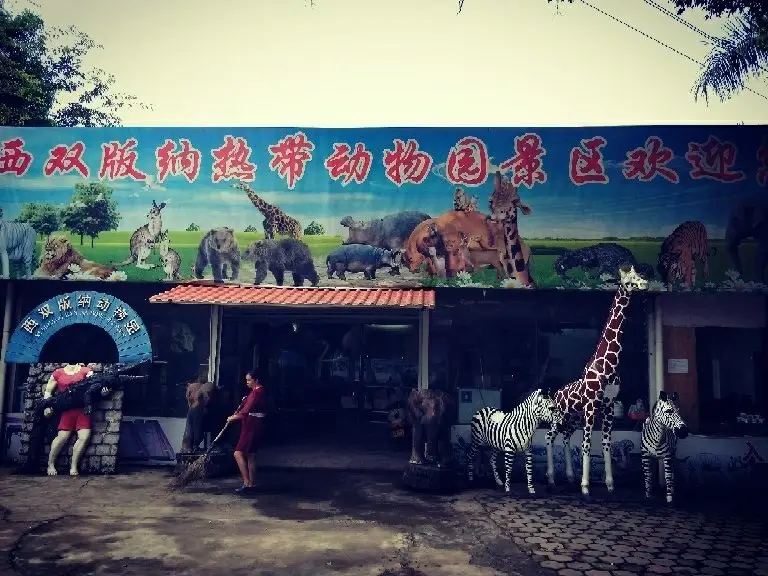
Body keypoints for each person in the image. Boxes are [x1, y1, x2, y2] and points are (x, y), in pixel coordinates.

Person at [44, 362, 94, 476]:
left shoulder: (86, 371)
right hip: (66, 410)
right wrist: (47, 406)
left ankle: (73, 465)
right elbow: (48, 391)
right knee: (62, 437)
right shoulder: (58, 373)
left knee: (84, 436)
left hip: (82, 409)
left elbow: (94, 386)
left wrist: (104, 391)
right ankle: (50, 464)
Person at [227, 371, 266, 493]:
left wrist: (233, 417)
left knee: (237, 453)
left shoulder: (256, 393)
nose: (247, 382)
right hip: (256, 426)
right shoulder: (257, 392)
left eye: (249, 380)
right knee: (251, 455)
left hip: (251, 426)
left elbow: (247, 410)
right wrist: (245, 400)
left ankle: (246, 482)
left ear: (256, 380)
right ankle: (251, 484)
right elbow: (248, 405)